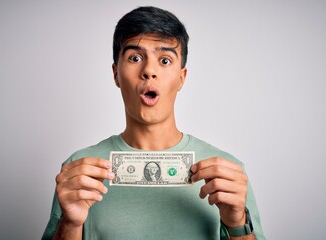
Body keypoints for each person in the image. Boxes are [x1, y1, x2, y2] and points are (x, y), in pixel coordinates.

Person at [42, 6, 265, 240]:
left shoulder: (228, 173)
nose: (149, 70)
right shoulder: (79, 170)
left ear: (182, 77)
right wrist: (70, 223)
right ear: (116, 74)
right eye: (135, 58)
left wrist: (237, 222)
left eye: (165, 60)